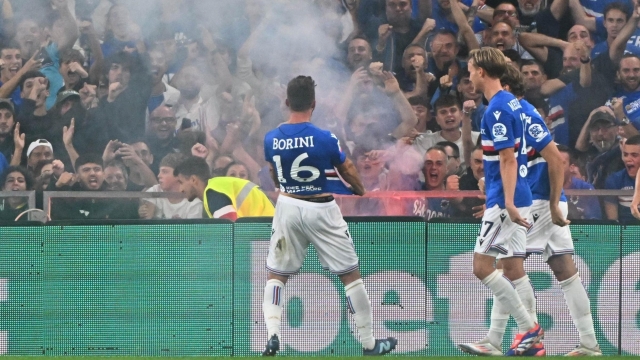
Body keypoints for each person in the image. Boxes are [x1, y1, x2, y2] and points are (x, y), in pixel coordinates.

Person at [460, 65, 601, 356]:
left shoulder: (521, 113)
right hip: (544, 198)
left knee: (507, 267)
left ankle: (514, 339)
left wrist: (550, 202)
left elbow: (554, 159)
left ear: (507, 87)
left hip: (538, 198)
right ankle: (589, 343)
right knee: (565, 270)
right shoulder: (521, 111)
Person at [260, 75, 397, 356]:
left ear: (286, 102)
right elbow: (346, 169)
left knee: (276, 276)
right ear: (314, 103)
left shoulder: (271, 138)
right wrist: (360, 190)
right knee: (351, 277)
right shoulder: (324, 138)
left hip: (287, 206)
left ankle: (273, 334)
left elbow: (275, 173)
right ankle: (370, 343)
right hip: (321, 207)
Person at [464, 47, 543, 356]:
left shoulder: (496, 109)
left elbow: (508, 159)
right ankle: (494, 341)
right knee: (509, 266)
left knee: (482, 267)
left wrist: (506, 201)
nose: (469, 75)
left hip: (507, 198)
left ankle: (529, 330)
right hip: (514, 193)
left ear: (482, 71)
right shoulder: (512, 102)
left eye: (471, 69)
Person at [173, 156, 274, 220]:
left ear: (193, 180)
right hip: (267, 232)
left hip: (266, 236)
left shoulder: (213, 193)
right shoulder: (215, 188)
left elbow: (228, 231)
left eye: (181, 182)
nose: (180, 189)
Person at [140, 153, 202, 220]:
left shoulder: (194, 202)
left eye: (164, 172)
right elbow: (147, 218)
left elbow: (193, 230)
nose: (159, 176)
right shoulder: (155, 190)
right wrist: (145, 211)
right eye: (160, 171)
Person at [604, 134, 640, 223]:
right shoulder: (614, 180)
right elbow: (613, 221)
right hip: (624, 232)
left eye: (634, 155)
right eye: (625, 154)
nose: (628, 159)